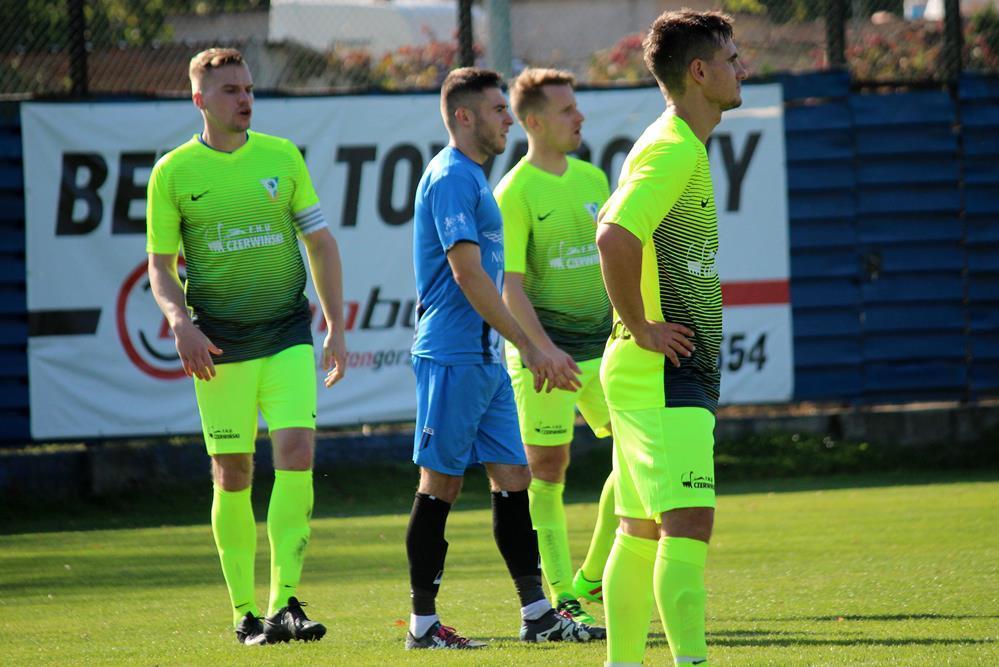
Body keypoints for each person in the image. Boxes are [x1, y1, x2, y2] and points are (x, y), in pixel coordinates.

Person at [146, 47, 347, 646]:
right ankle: (244, 612)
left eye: (249, 88)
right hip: (219, 345)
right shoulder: (173, 172)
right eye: (230, 90)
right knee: (232, 471)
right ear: (199, 100)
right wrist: (180, 323)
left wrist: (336, 326)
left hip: (287, 334)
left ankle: (285, 603)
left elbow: (321, 242)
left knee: (297, 454)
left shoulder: (281, 156)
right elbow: (159, 266)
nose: (245, 99)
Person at [405, 66, 599, 650]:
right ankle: (422, 626)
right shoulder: (450, 177)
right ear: (463, 116)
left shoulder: (473, 177)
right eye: (496, 109)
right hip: (453, 354)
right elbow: (468, 275)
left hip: (484, 356)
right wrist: (532, 346)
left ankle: (538, 615)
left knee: (515, 478)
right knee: (440, 484)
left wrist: (511, 346)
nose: (507, 119)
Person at [594, 11, 747, 666]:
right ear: (699, 71)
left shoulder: (674, 141)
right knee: (687, 525)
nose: (741, 68)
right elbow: (613, 235)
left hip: (652, 374)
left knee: (639, 531)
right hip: (662, 373)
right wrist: (640, 325)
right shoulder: (675, 147)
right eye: (732, 59)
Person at [494, 67, 617, 626]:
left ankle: (591, 576)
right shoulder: (514, 192)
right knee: (547, 467)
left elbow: (615, 263)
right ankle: (564, 595)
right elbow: (510, 286)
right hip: (544, 357)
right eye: (567, 110)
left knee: (640, 454)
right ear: (535, 122)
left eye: (577, 106)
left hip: (604, 349)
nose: (580, 117)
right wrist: (541, 350)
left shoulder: (594, 179)